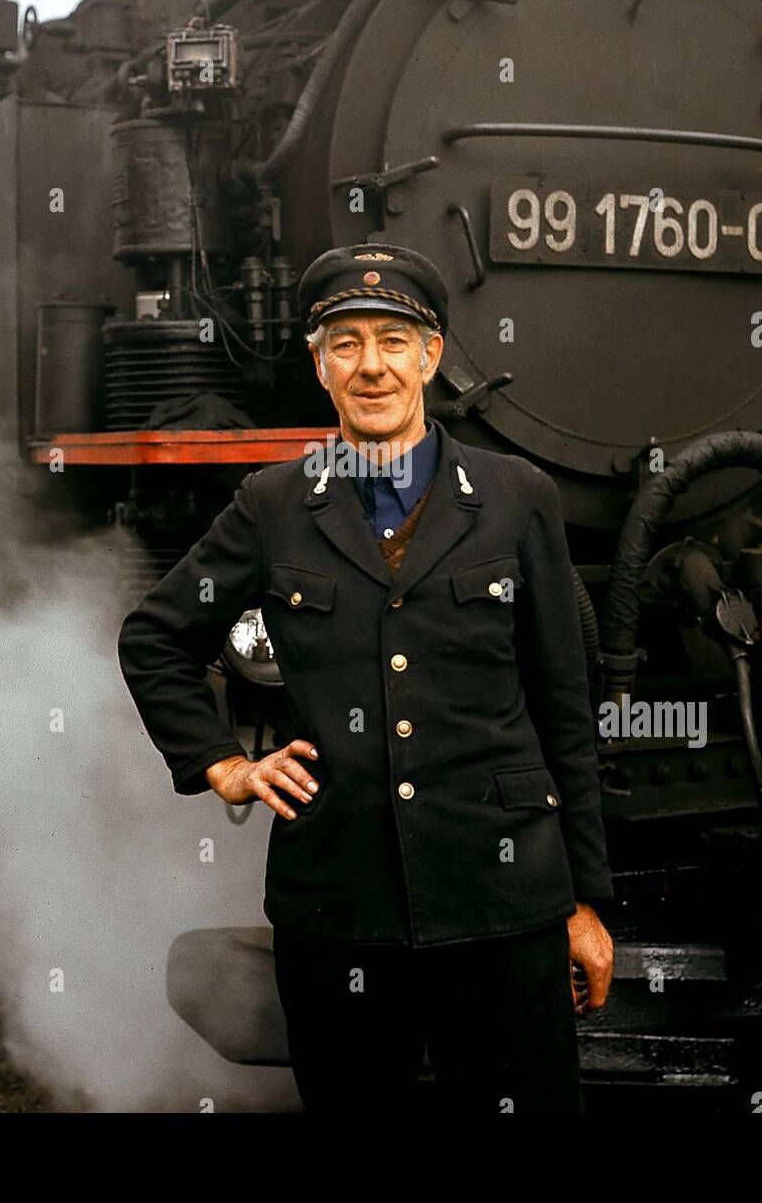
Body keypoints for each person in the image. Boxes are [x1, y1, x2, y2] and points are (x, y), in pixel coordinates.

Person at [118, 241, 614, 1113]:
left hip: (502, 906)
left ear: (430, 356)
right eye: (345, 343)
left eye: (394, 340)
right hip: (338, 912)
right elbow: (154, 636)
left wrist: (583, 902)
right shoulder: (273, 504)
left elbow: (562, 709)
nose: (371, 365)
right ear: (318, 365)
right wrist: (222, 763)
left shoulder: (515, 495)